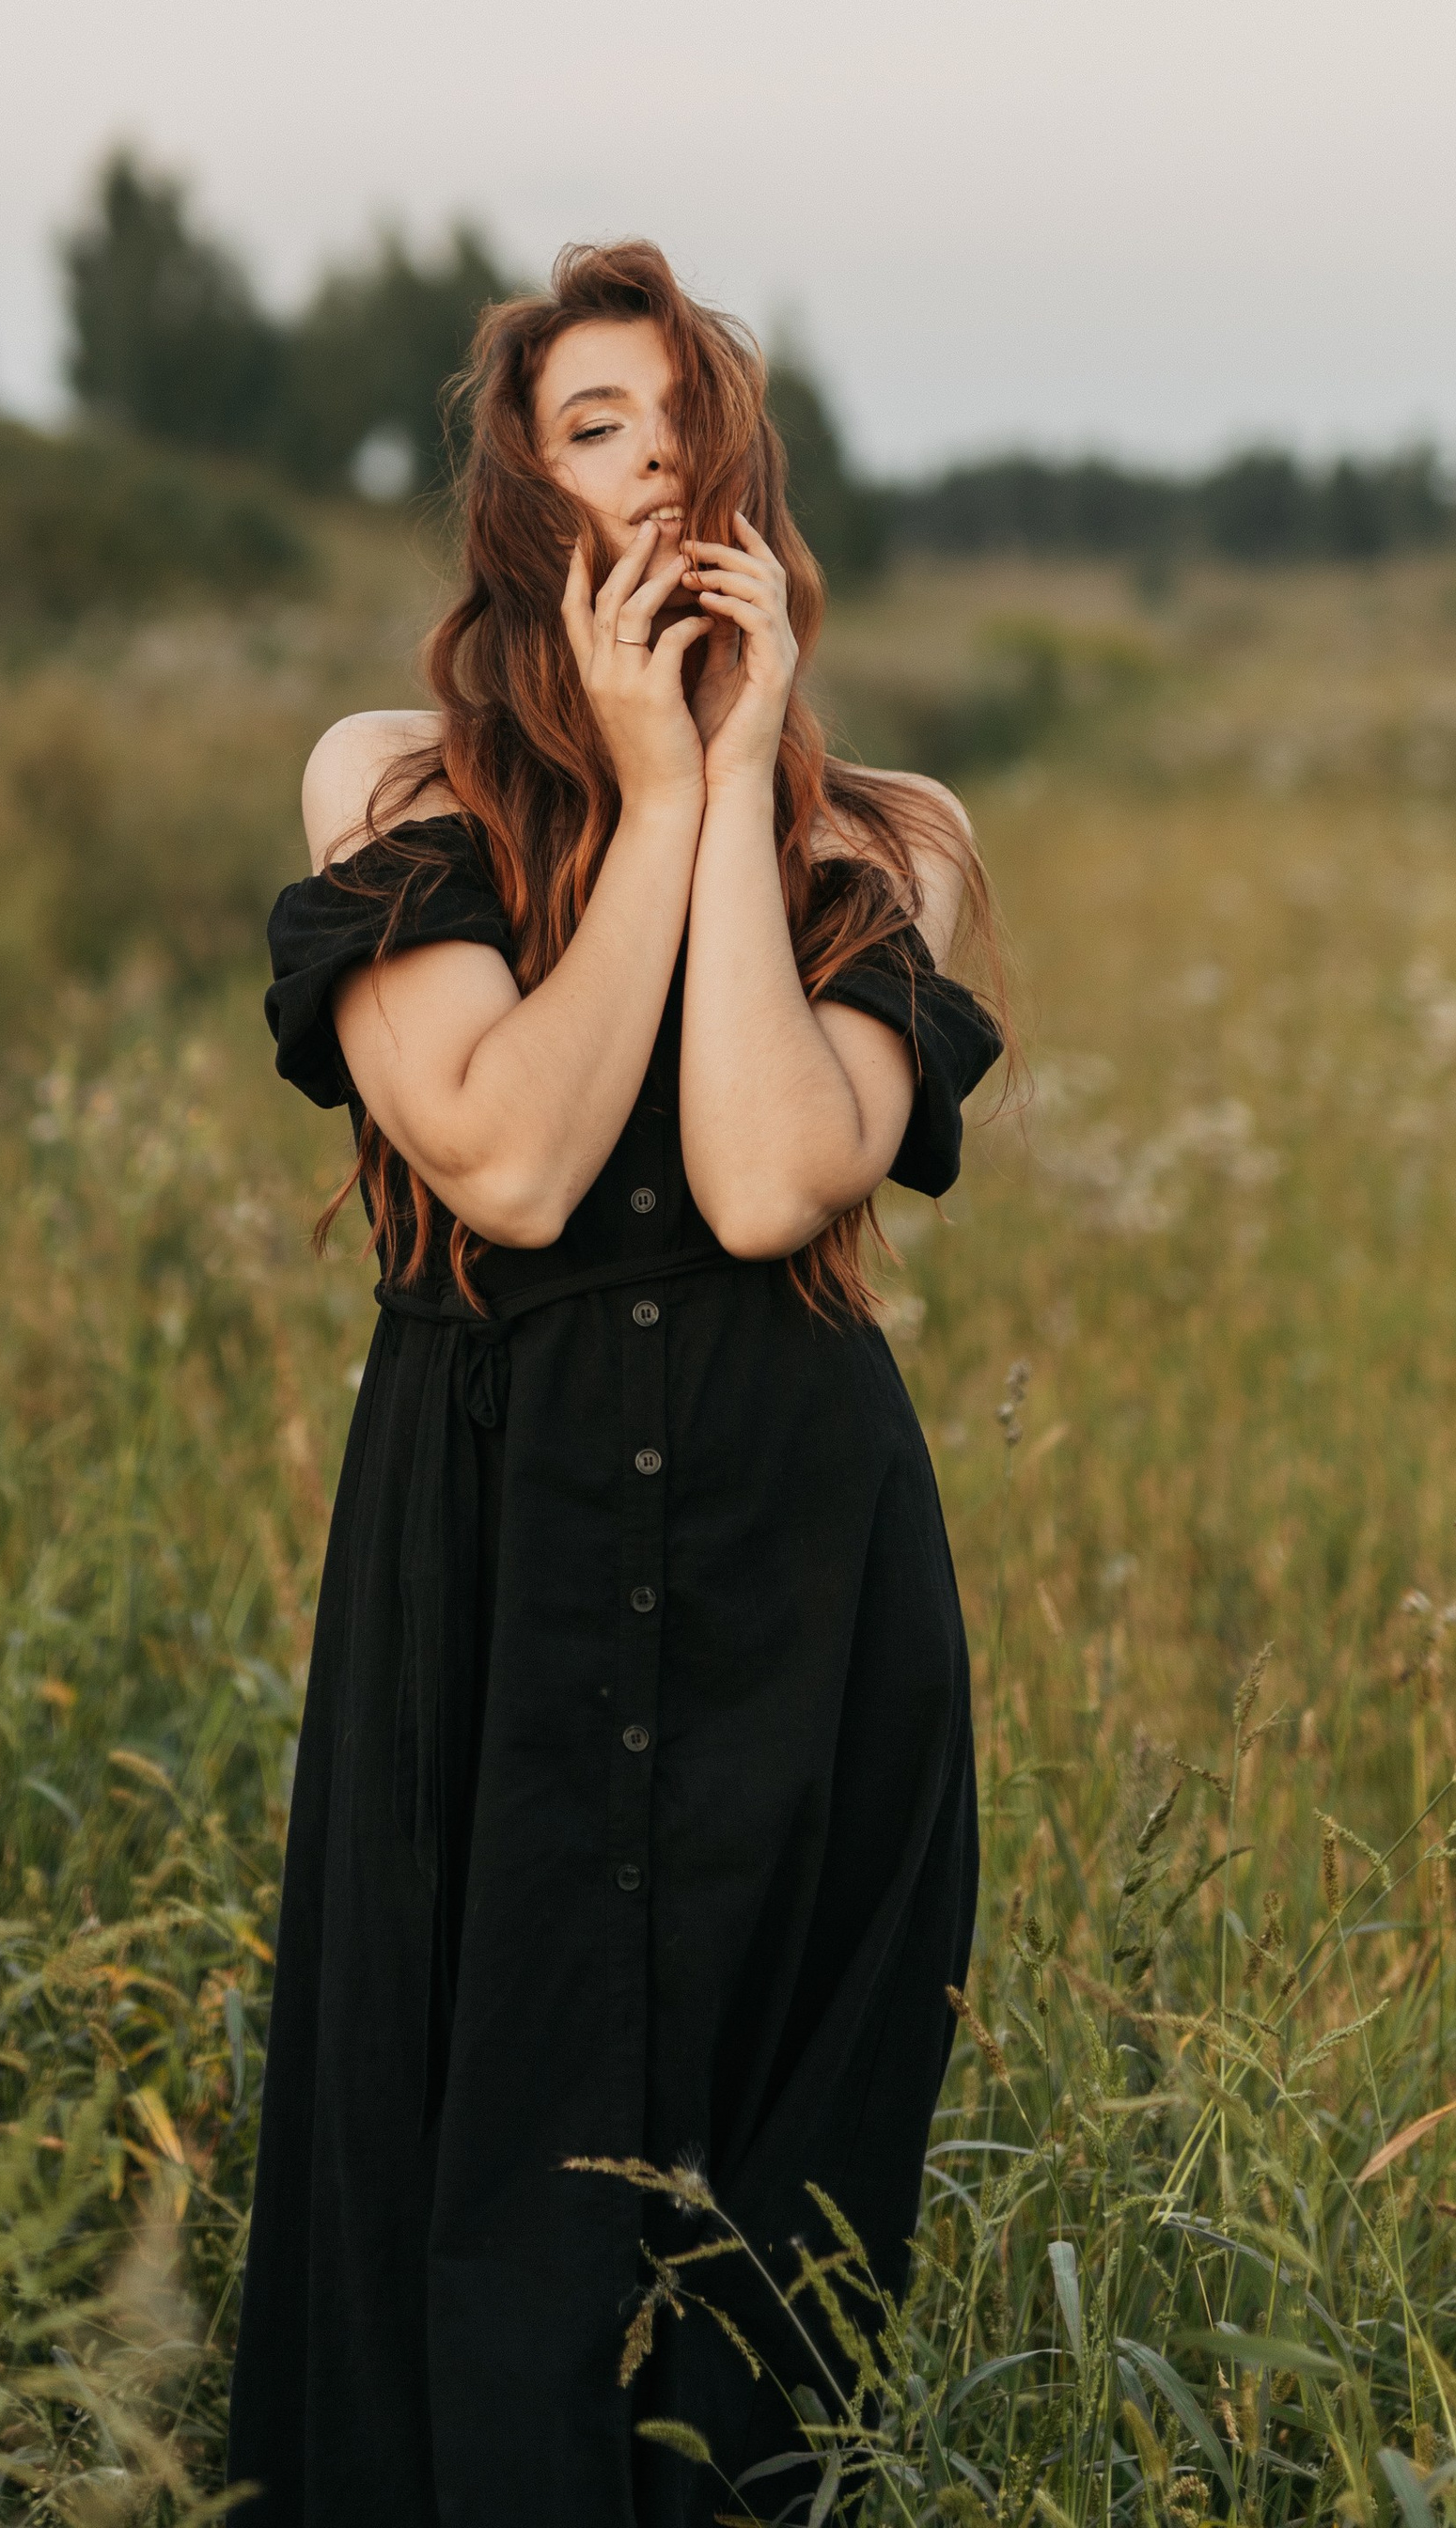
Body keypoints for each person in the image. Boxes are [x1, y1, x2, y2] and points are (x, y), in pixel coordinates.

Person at [227, 241, 1005, 2526]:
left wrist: (745, 768)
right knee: (461, 2146)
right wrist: (652, 807)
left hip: (797, 1565)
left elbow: (769, 1182)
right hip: (493, 1544)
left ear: (749, 489)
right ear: (513, 493)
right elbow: (506, 1155)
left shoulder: (891, 840)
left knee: (775, 2196)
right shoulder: (394, 785)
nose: (648, 472)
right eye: (592, 429)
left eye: (684, 431)